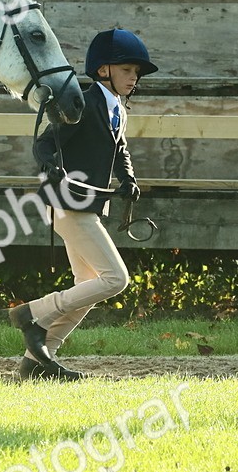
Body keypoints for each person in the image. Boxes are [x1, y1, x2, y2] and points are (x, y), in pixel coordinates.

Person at [8, 28, 157, 380]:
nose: (133, 78)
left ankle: (35, 363)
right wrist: (52, 166)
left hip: (88, 205)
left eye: (136, 73)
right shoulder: (82, 104)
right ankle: (34, 314)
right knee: (115, 279)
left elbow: (119, 149)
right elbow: (45, 144)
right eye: (127, 70)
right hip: (69, 203)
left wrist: (129, 178)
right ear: (103, 70)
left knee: (85, 286)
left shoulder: (117, 108)